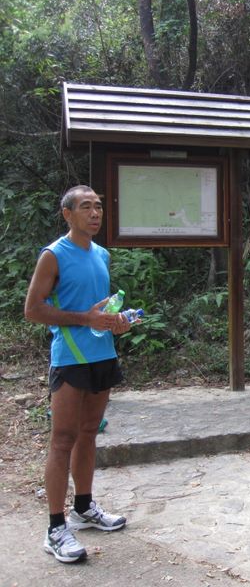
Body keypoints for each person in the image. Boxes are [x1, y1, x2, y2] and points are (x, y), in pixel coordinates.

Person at [24, 185, 132, 564]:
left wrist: (116, 320)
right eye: (86, 207)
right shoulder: (53, 255)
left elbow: (97, 309)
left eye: (98, 206)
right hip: (70, 359)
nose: (95, 213)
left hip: (103, 354)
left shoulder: (101, 254)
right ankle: (55, 529)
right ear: (67, 214)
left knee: (89, 433)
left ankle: (83, 508)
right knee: (62, 440)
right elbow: (33, 310)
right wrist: (84, 319)